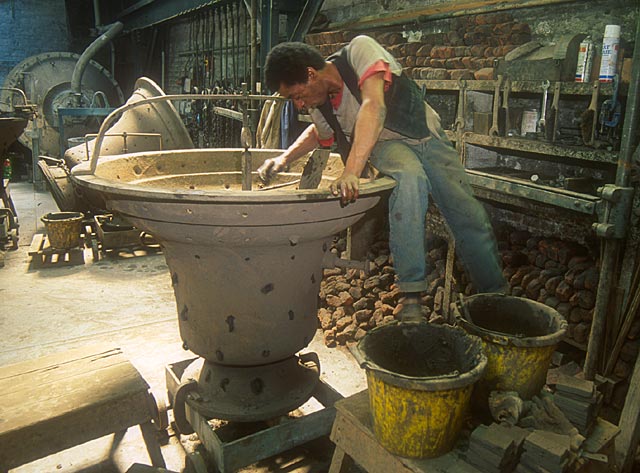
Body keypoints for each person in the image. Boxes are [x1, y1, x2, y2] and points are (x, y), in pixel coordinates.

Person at [258, 35, 507, 321]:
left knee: (469, 215)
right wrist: (284, 158)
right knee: (409, 179)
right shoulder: (322, 106)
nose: (299, 105)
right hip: (386, 145)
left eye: (296, 96)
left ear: (310, 74)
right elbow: (319, 134)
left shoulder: (358, 50)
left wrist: (351, 171)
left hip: (425, 133)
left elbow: (374, 106)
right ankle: (412, 294)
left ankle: (496, 297)